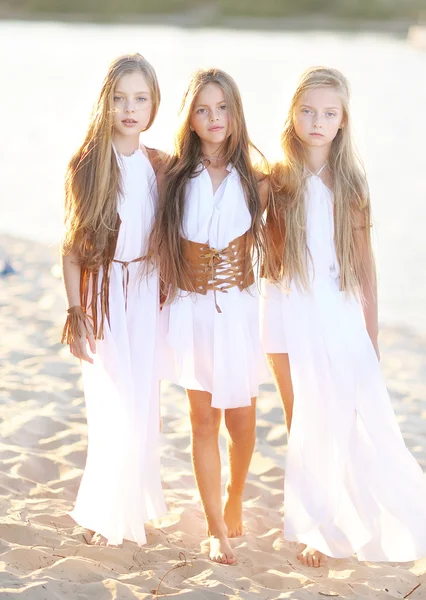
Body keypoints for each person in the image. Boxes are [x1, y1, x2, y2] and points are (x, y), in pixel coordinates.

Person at [261, 66, 426, 567]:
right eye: (308, 110)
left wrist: (369, 332)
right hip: (284, 305)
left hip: (333, 310)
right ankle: (315, 520)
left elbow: (365, 264)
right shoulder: (278, 177)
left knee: (345, 415)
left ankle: (339, 522)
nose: (317, 121)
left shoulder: (350, 183)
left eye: (328, 113)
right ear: (293, 113)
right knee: (300, 417)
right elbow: (258, 242)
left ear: (342, 121)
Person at [150, 68, 269, 564]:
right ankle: (216, 528)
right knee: (203, 420)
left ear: (236, 112)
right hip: (193, 310)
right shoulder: (173, 175)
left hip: (238, 311)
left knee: (242, 422)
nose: (214, 117)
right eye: (203, 109)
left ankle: (235, 494)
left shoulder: (259, 181)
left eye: (222, 107)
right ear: (191, 118)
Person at [61, 53, 166, 547]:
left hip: (145, 293)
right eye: (121, 98)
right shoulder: (88, 165)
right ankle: (103, 513)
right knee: (113, 404)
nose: (130, 107)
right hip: (103, 296)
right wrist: (76, 311)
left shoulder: (158, 165)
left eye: (140, 98)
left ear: (153, 105)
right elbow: (71, 248)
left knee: (143, 404)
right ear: (107, 103)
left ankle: (130, 507)